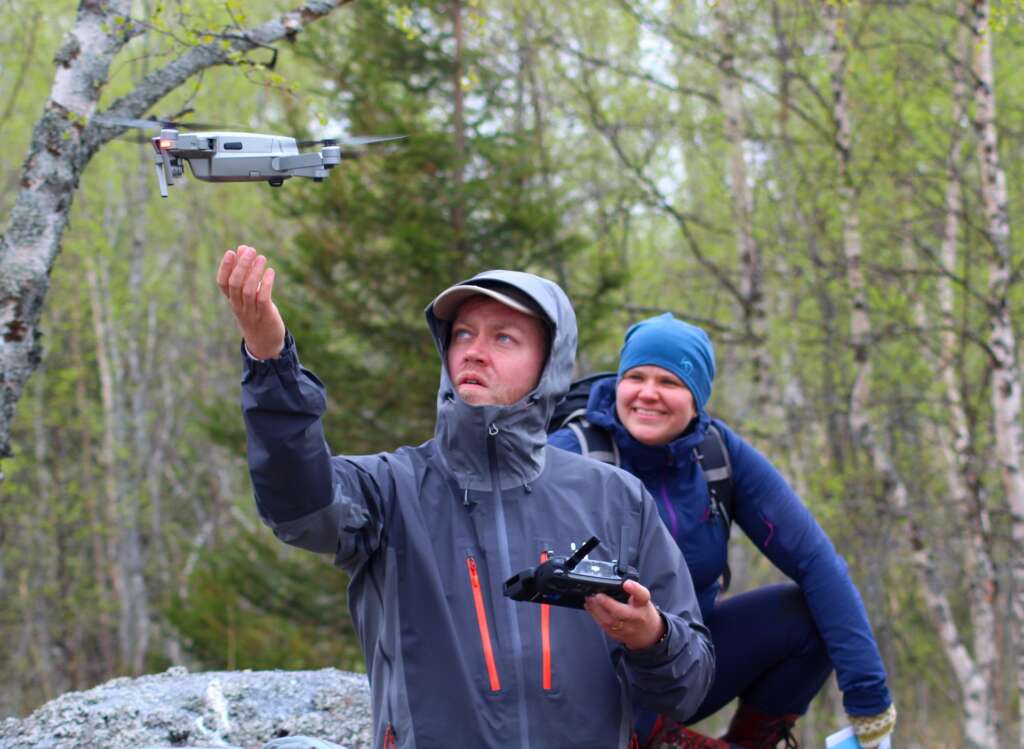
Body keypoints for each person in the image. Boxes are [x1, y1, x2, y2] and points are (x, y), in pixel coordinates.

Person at [216, 246, 715, 749]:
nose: (475, 351)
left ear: (550, 364)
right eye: (462, 335)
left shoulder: (614, 498)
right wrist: (271, 363)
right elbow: (299, 509)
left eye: (504, 337)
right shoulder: (391, 488)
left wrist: (651, 636)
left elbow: (689, 687)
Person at [549, 313, 897, 749]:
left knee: (806, 614)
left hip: (682, 667)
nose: (648, 393)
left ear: (697, 399)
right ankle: (651, 737)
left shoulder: (715, 454)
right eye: (635, 376)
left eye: (670, 382)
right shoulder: (571, 455)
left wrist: (870, 701)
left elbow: (815, 560)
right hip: (582, 688)